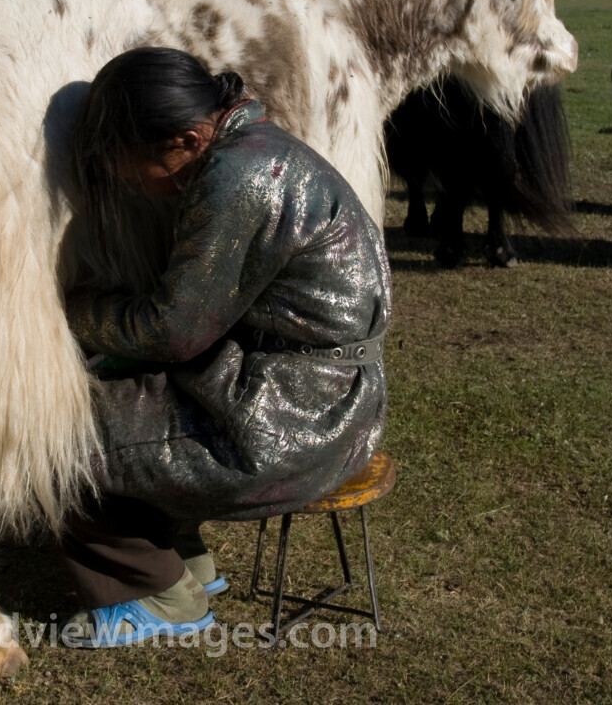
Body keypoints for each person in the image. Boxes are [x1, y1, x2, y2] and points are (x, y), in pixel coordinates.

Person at [59, 46, 391, 647]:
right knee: (121, 401)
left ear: (186, 139)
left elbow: (171, 332)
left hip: (296, 417)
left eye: (125, 159)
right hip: (325, 396)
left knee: (53, 433)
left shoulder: (238, 178)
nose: (121, 177)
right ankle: (185, 559)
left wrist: (73, 309)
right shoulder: (257, 150)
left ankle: (156, 594)